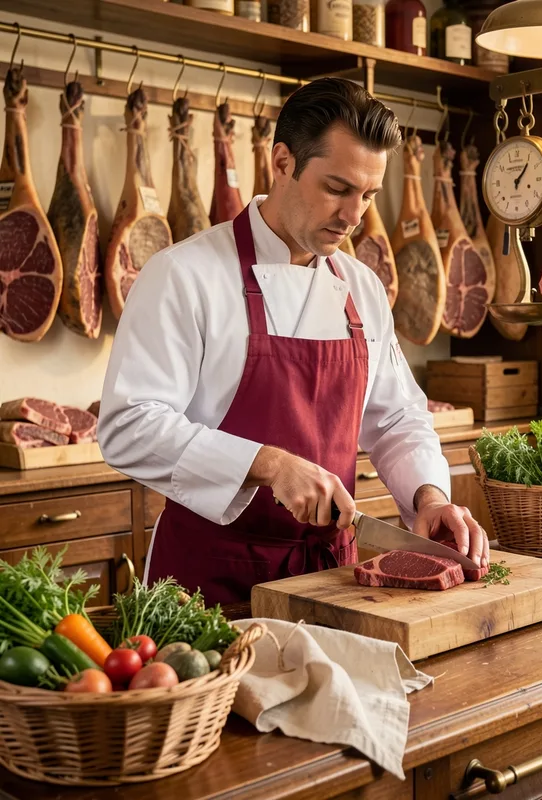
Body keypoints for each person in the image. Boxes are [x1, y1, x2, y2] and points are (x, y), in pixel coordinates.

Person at [98, 77, 489, 606]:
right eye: (337, 189)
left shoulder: (362, 287)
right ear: (282, 162)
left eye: (368, 195)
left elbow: (398, 417)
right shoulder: (183, 274)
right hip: (207, 585)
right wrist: (269, 464)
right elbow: (128, 425)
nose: (354, 217)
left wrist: (429, 495)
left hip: (330, 583)